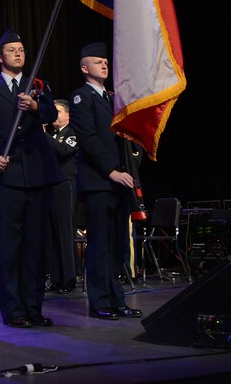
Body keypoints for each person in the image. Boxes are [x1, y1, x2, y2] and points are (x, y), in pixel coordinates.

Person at [0, 30, 62, 328]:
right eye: (12, 50)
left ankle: (34, 308)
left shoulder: (36, 84)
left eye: (21, 49)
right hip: (6, 177)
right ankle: (14, 311)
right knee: (9, 247)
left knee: (36, 246)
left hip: (36, 174)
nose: (19, 54)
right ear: (0, 57)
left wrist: (35, 106)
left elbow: (51, 115)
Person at [69, 42, 143, 321]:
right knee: (100, 244)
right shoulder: (81, 98)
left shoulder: (113, 98)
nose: (104, 65)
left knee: (118, 245)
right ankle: (100, 301)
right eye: (97, 61)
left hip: (119, 181)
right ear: (84, 68)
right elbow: (88, 139)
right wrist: (111, 170)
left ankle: (117, 299)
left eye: (105, 61)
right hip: (99, 181)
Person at [45, 99, 78, 294]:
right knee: (51, 234)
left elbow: (63, 150)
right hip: (50, 186)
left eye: (57, 112)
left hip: (65, 185)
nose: (54, 115)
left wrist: (43, 135)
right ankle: (56, 277)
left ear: (67, 115)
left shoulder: (72, 133)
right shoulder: (51, 135)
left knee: (65, 233)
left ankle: (68, 278)